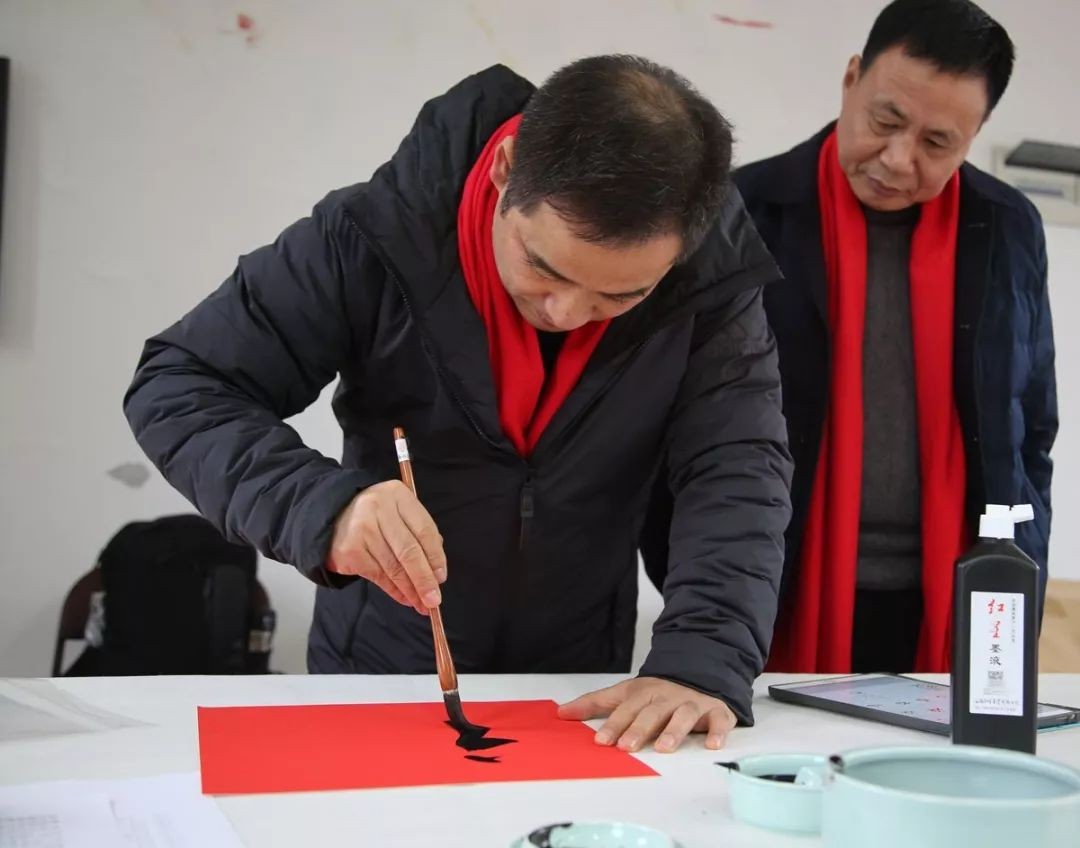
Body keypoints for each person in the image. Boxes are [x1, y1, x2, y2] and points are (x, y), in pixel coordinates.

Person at [124, 56, 793, 752]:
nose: (565, 314)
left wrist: (702, 659)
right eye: (543, 267)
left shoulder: (707, 286)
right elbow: (182, 384)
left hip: (578, 680)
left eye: (620, 295)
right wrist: (322, 506)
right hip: (381, 667)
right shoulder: (374, 234)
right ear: (506, 169)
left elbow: (737, 467)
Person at [645, 0, 1056, 674]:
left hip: (955, 599)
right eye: (885, 121)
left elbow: (1031, 426)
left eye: (936, 144)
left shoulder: (1007, 227)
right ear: (851, 77)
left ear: (976, 133)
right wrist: (700, 587)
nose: (897, 160)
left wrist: (1025, 563)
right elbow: (677, 425)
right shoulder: (744, 211)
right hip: (778, 589)